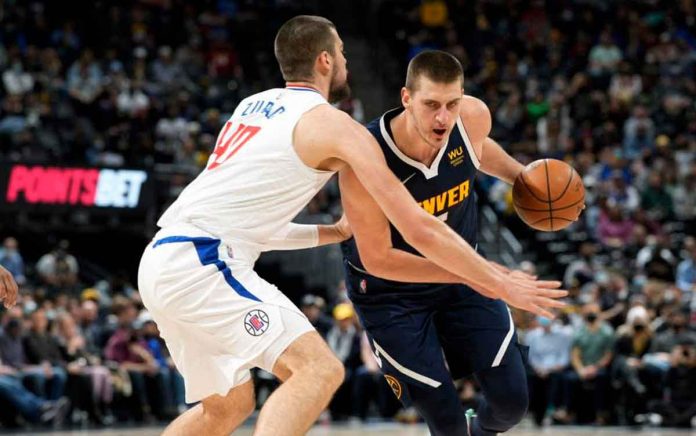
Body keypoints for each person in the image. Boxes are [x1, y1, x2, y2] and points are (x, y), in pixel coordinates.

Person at [138, 16, 565, 436]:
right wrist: (496, 279)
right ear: (325, 61)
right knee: (317, 370)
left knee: (227, 407)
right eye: (341, 51)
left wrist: (331, 232)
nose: (346, 60)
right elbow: (416, 227)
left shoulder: (253, 107)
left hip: (163, 257)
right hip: (205, 261)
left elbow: (248, 224)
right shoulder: (341, 130)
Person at [339, 50, 564, 436]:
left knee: (511, 404)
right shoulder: (365, 157)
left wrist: (521, 177)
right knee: (446, 421)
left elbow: (475, 150)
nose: (443, 117)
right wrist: (484, 276)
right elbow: (379, 259)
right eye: (430, 105)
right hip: (390, 293)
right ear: (406, 98)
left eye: (451, 104)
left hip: (462, 277)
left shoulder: (472, 117)